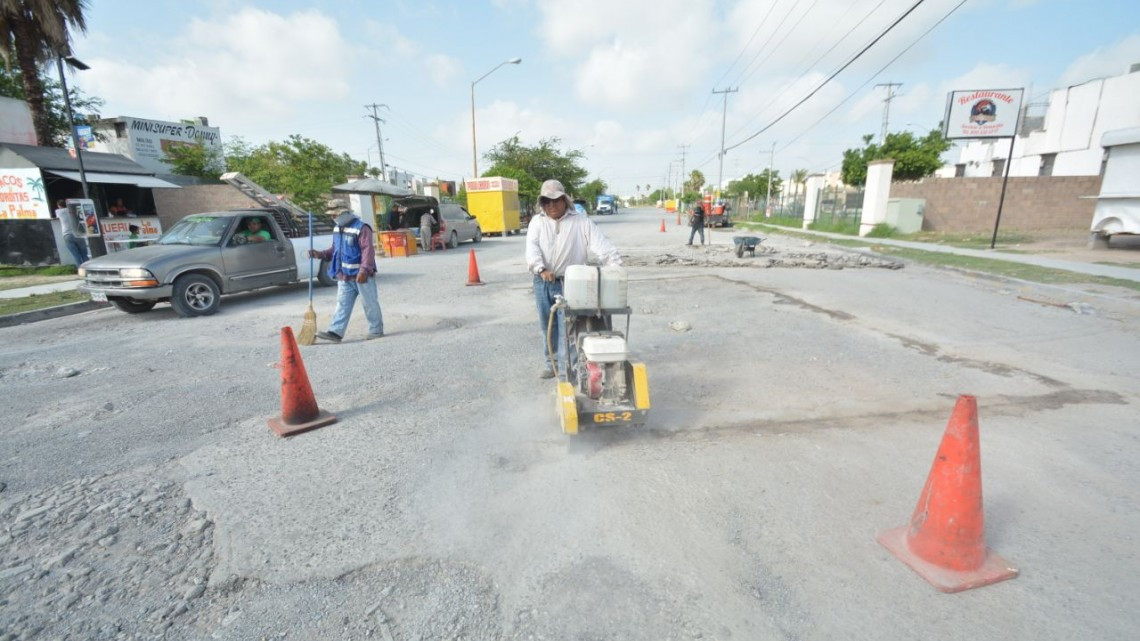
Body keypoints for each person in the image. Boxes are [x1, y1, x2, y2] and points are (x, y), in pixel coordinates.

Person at [525, 179, 622, 379]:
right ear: (542, 203)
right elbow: (532, 248)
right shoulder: (537, 222)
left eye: (556, 200)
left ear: (565, 200)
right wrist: (540, 268)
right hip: (543, 281)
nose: (551, 205)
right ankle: (551, 363)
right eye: (547, 201)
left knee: (568, 329)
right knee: (548, 326)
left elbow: (602, 245)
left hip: (571, 283)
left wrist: (615, 268)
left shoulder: (580, 221)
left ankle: (566, 371)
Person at [309, 209, 384, 342]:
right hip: (344, 276)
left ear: (345, 213)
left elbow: (368, 251)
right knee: (342, 304)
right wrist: (320, 254)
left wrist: (364, 270)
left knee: (369, 303)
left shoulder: (362, 228)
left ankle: (376, 330)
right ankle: (335, 332)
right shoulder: (337, 229)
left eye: (335, 214)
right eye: (331, 215)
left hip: (362, 276)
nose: (333, 217)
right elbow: (335, 250)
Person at [54, 199, 88, 265]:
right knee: (84, 254)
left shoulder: (58, 211)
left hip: (67, 235)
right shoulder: (73, 209)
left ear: (59, 206)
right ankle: (88, 268)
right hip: (78, 233)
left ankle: (81, 270)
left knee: (76, 255)